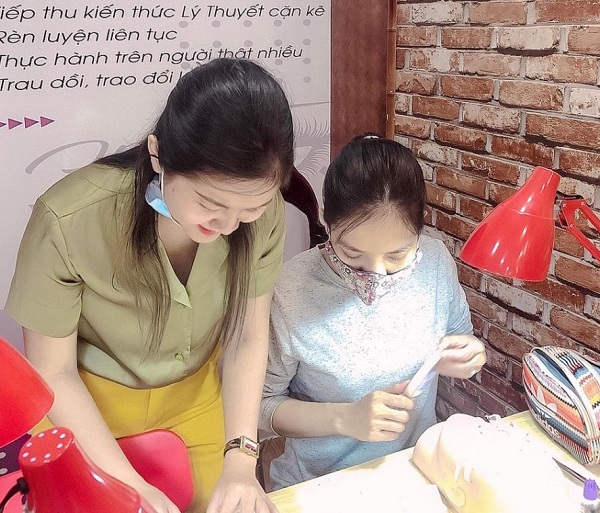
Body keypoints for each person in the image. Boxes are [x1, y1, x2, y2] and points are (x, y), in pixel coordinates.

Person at [6, 58, 294, 513]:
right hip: (86, 406)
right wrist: (127, 484)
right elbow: (53, 371)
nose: (227, 225)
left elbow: (246, 335)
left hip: (198, 398)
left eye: (249, 211)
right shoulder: (68, 219)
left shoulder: (266, 213)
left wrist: (241, 459)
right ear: (158, 154)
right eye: (209, 202)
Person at [259, 134, 487, 490]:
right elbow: (262, 407)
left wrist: (468, 355)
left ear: (420, 228)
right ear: (327, 221)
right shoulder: (291, 289)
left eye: (396, 255)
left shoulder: (435, 264)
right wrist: (345, 418)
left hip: (412, 474)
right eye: (353, 254)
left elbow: (460, 339)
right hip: (319, 486)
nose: (377, 273)